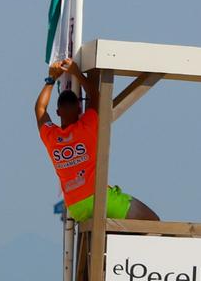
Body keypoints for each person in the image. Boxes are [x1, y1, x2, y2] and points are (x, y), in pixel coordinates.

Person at [34, 58, 159, 223]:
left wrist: (51, 79)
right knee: (152, 221)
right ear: (80, 109)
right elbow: (95, 95)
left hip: (76, 207)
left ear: (57, 112)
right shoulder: (87, 125)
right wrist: (77, 73)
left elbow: (39, 108)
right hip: (99, 199)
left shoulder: (51, 137)